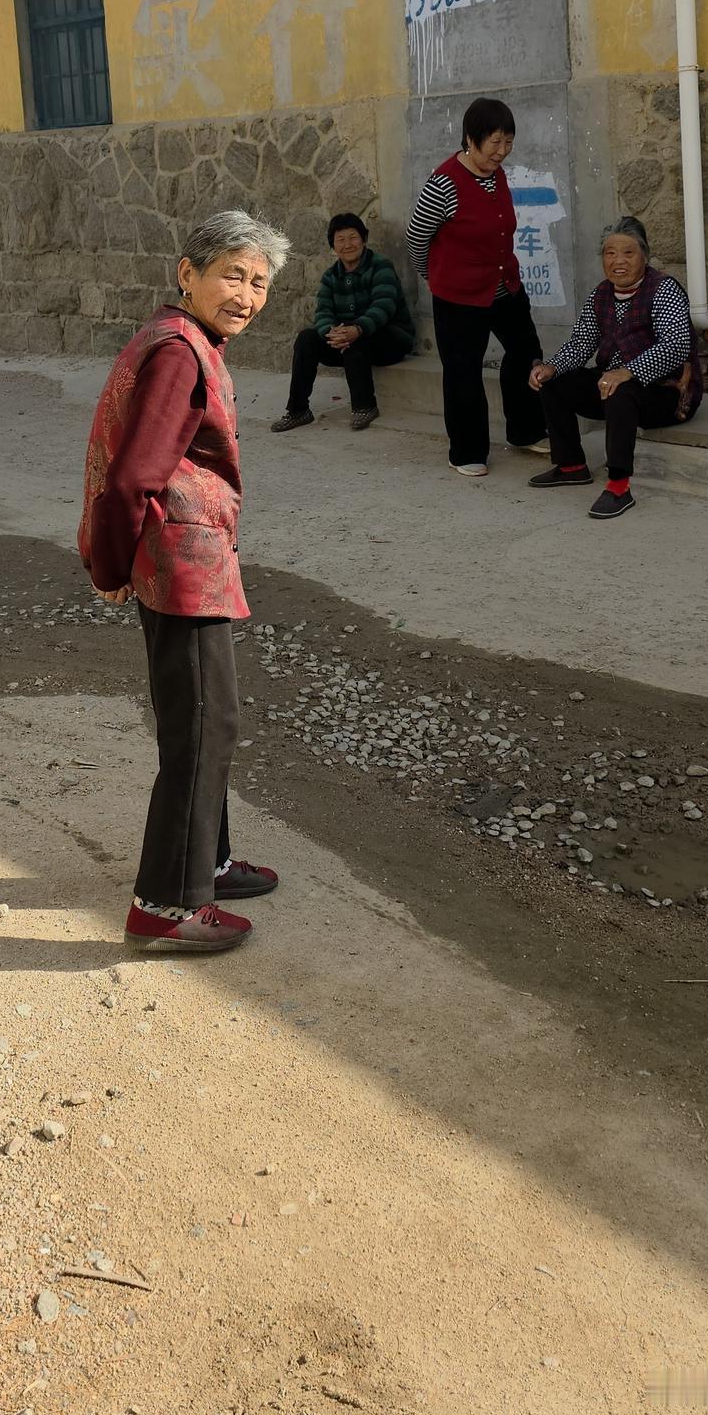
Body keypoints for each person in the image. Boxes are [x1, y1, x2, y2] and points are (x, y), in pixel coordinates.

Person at [79, 209, 290, 956]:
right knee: (203, 725)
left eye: (260, 282)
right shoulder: (179, 353)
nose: (246, 293)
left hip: (187, 558)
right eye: (233, 273)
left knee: (203, 719)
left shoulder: (183, 338)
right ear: (188, 273)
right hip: (180, 566)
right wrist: (109, 563)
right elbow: (135, 472)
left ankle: (212, 862)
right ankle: (166, 904)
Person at [527, 214, 703, 520]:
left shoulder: (664, 289)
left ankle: (619, 486)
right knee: (554, 382)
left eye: (628, 252)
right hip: (613, 384)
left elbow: (676, 345)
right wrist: (552, 367)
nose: (617, 261)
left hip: (666, 393)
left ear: (644, 256)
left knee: (621, 390)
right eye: (610, 253)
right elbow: (582, 343)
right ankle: (571, 465)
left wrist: (628, 371)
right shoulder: (601, 293)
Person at [407, 97, 546, 477]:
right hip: (459, 297)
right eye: (495, 142)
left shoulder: (495, 174)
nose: (502, 152)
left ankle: (526, 430)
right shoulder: (443, 183)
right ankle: (467, 451)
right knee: (463, 371)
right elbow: (417, 238)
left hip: (505, 285)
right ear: (471, 139)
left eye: (509, 142)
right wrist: (434, 277)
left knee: (525, 352)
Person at [271, 212, 416, 434]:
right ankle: (298, 410)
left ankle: (365, 407)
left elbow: (384, 306)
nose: (347, 244)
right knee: (307, 339)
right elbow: (323, 312)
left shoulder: (380, 266)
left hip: (390, 339)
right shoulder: (330, 276)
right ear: (333, 245)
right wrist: (332, 332)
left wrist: (357, 329)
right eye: (341, 239)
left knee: (357, 340)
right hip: (348, 343)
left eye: (353, 237)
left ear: (364, 240)